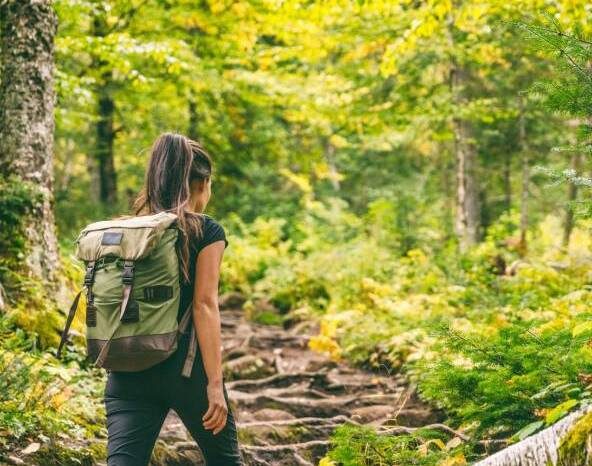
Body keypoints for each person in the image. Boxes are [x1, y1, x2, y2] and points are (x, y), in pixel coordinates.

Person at [103, 132, 243, 465]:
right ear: (202, 183)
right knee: (225, 460)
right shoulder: (206, 230)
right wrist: (214, 384)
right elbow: (204, 305)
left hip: (127, 371)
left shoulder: (129, 230)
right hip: (186, 371)